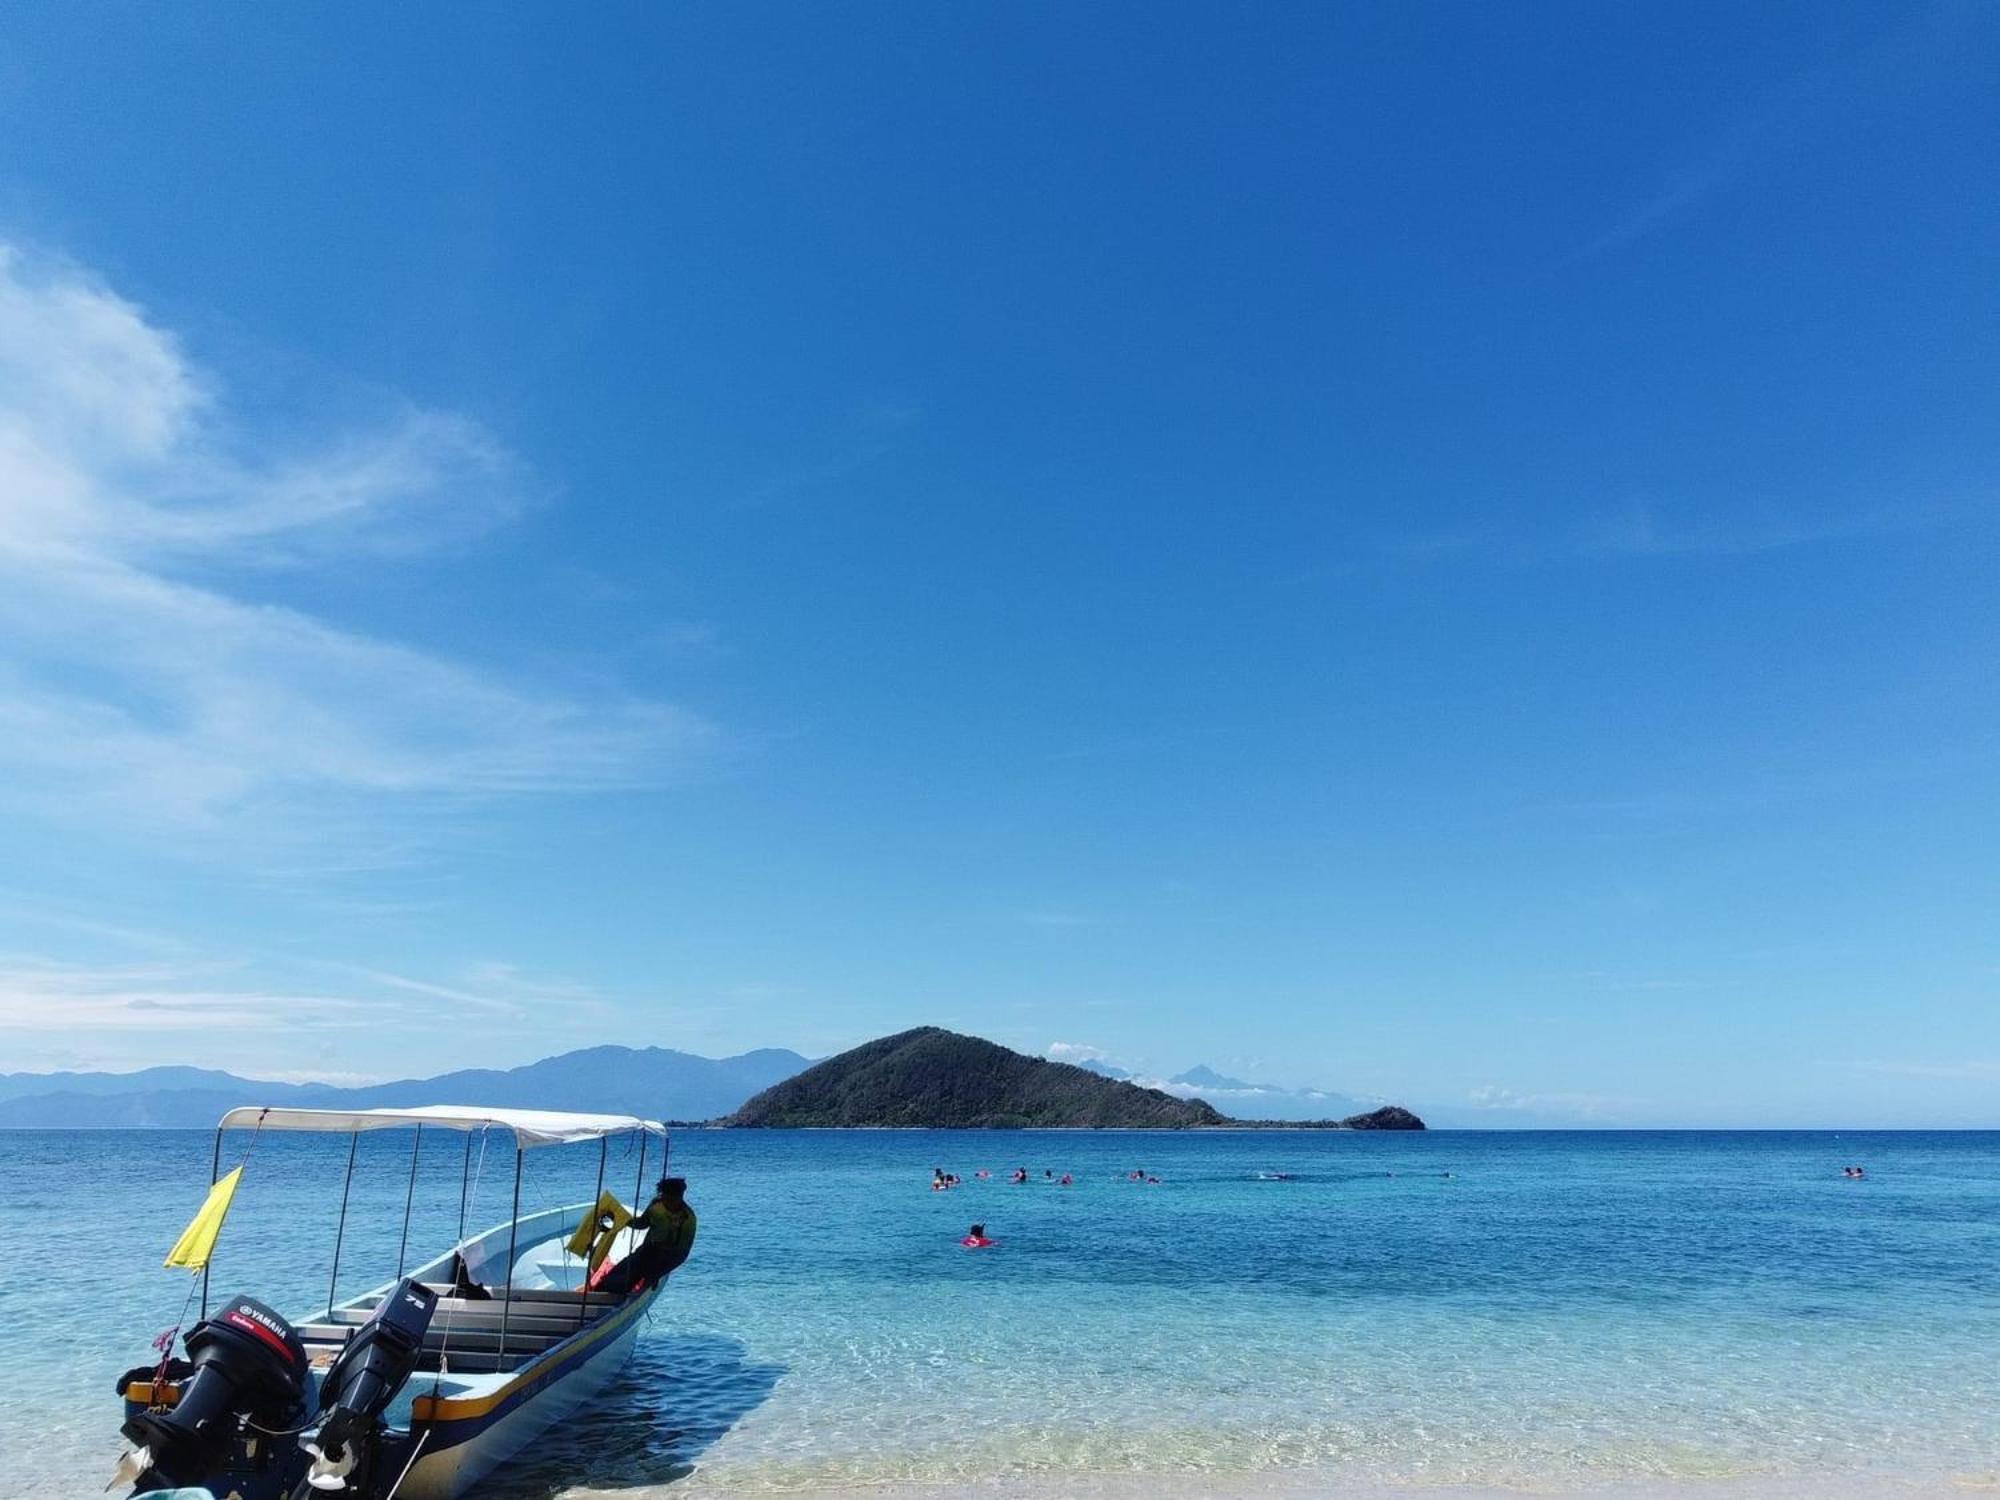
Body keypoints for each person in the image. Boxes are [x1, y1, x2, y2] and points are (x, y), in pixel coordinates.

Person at [597, 1176, 697, 1295]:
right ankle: (601, 1293)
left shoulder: (688, 1219)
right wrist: (618, 1218)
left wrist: (656, 1273)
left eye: (667, 1198)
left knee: (635, 1280)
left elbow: (681, 1254)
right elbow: (641, 1224)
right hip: (647, 1250)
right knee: (614, 1277)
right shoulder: (656, 1206)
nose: (663, 1199)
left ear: (677, 1197)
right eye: (662, 1195)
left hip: (665, 1258)